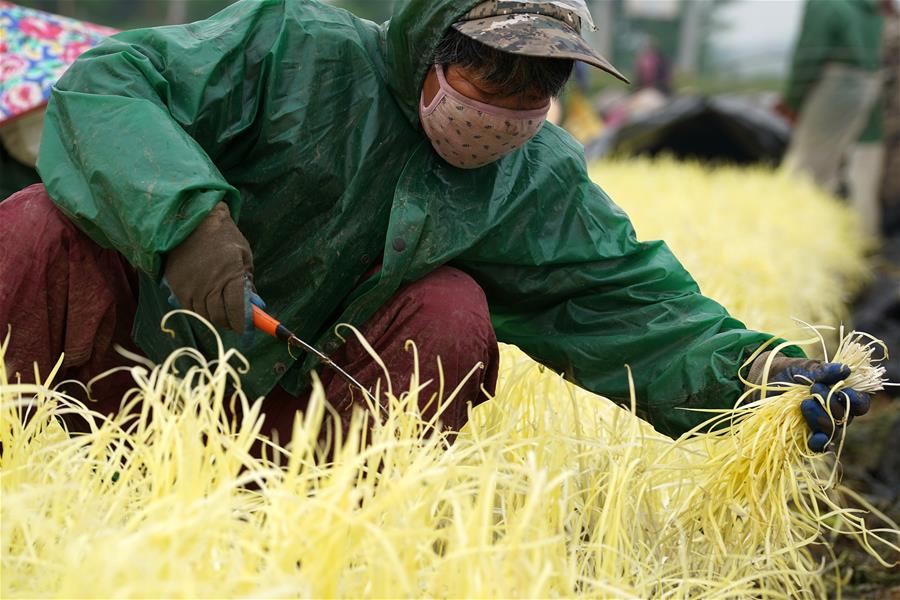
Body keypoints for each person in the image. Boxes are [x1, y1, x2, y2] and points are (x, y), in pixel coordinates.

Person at [0, 0, 869, 452]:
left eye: (538, 82)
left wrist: (757, 374)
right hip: (107, 372)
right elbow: (113, 82)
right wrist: (184, 220)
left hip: (286, 421)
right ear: (428, 44)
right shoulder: (293, 49)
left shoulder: (532, 174)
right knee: (39, 226)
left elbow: (620, 300)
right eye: (490, 70)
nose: (511, 106)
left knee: (452, 311)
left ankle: (315, 517)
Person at [779, 0, 889, 236]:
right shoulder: (869, 8)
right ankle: (862, 239)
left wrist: (793, 100)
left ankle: (802, 236)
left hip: (836, 85)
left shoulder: (825, 4)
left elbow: (808, 57)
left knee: (808, 170)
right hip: (868, 84)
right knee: (860, 166)